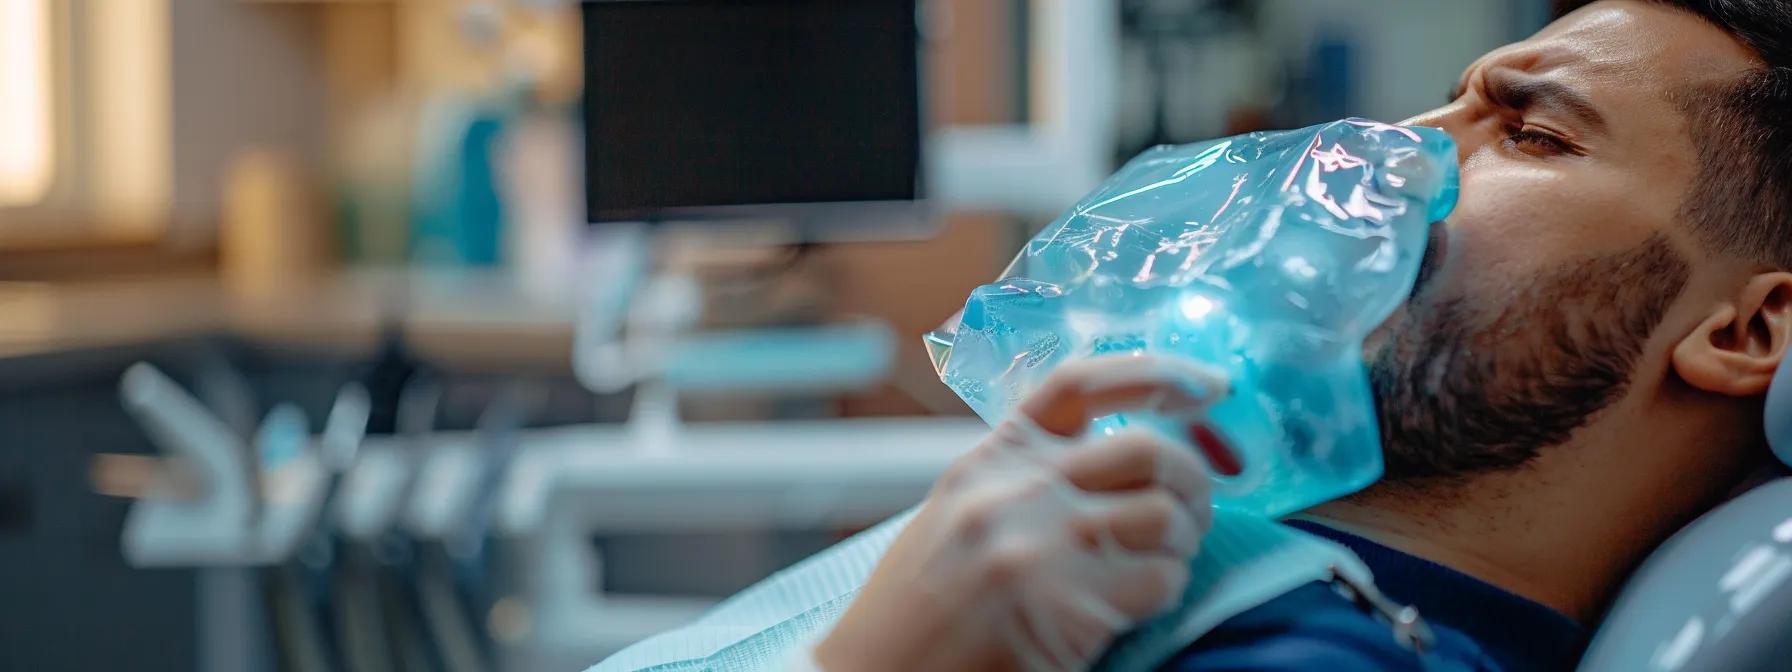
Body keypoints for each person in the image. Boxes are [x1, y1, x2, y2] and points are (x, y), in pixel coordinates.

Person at [808, 0, 1792, 670]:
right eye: (1436, 108)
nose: (1384, 152)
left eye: (1533, 134)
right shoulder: (1151, 545)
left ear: (1751, 329)